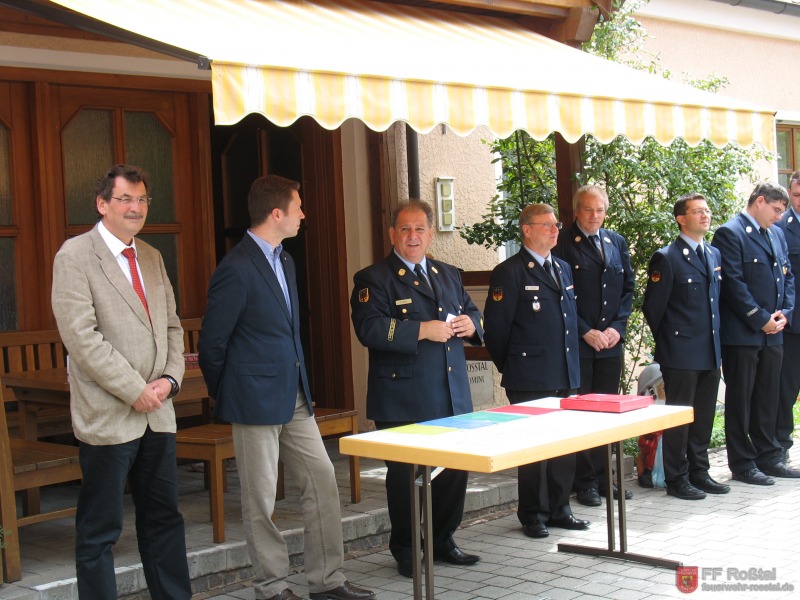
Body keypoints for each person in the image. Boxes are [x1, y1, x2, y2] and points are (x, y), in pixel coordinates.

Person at [199, 175, 374, 600]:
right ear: (276, 213)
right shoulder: (236, 268)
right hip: (252, 401)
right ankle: (271, 587)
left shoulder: (287, 261)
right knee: (260, 499)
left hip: (294, 396)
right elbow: (212, 344)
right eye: (298, 207)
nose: (303, 215)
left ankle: (327, 580)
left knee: (322, 479)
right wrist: (230, 393)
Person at [51, 164, 192, 599]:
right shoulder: (75, 255)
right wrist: (135, 390)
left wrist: (170, 380)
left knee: (164, 519)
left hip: (158, 412)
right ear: (102, 204)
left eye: (142, 199)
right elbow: (81, 338)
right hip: (110, 415)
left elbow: (172, 326)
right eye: (125, 198)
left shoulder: (151, 255)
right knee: (101, 528)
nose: (136, 207)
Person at [350, 200, 483, 578]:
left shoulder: (448, 273)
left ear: (430, 233)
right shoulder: (373, 279)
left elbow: (472, 311)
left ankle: (442, 539)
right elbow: (370, 329)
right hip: (403, 397)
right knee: (407, 477)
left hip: (450, 392)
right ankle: (407, 549)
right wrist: (422, 330)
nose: (413, 236)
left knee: (453, 470)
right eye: (405, 229)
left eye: (420, 229)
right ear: (392, 234)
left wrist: (471, 325)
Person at [484, 203, 587, 539]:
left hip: (564, 372)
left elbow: (568, 323)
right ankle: (533, 514)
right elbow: (496, 331)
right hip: (529, 376)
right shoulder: (510, 272)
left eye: (556, 224)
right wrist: (516, 367)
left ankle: (561, 509)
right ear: (526, 230)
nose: (555, 230)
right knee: (534, 450)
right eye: (547, 225)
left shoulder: (562, 268)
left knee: (563, 446)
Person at [711, 182, 800, 485]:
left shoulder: (775, 233)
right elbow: (733, 285)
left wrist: (785, 313)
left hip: (774, 331)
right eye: (776, 210)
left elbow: (788, 276)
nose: (779, 217)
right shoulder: (731, 233)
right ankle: (742, 463)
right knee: (741, 400)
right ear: (760, 201)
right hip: (743, 334)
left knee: (768, 397)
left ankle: (769, 456)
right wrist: (760, 319)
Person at [643, 193, 729, 500]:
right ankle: (676, 478)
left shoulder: (713, 254)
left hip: (709, 350)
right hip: (680, 353)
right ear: (681, 219)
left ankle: (699, 471)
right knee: (679, 418)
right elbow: (653, 309)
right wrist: (673, 345)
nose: (705, 216)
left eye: (707, 210)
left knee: (703, 416)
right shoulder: (667, 257)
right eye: (697, 211)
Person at [553, 185, 634, 507]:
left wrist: (617, 327)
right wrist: (585, 331)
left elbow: (627, 289)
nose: (594, 216)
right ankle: (584, 481)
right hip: (580, 344)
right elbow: (561, 296)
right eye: (588, 209)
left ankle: (604, 478)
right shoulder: (563, 244)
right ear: (576, 211)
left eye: (600, 210)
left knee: (606, 414)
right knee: (583, 413)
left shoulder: (616, 242)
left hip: (610, 344)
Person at [775, 170, 800, 460]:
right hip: (794, 324)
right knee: (786, 389)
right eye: (796, 195)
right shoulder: (781, 227)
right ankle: (781, 444)